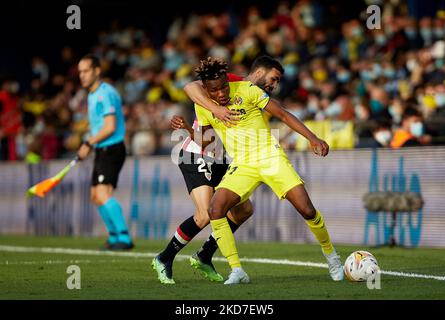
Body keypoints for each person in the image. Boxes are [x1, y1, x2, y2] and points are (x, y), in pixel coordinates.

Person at [193, 57, 343, 284]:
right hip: (242, 164)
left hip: (270, 157)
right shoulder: (203, 105)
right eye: (215, 90)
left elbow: (282, 114)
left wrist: (312, 138)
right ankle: (237, 270)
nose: (222, 93)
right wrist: (187, 128)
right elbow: (205, 142)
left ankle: (332, 257)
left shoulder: (247, 90)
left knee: (307, 210)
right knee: (215, 209)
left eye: (224, 86)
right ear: (206, 89)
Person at [152, 56, 285, 284]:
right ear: (259, 72)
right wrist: (215, 109)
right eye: (273, 78)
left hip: (219, 155)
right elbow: (190, 87)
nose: (274, 85)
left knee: (243, 211)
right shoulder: (231, 82)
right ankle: (164, 258)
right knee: (205, 214)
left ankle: (204, 255)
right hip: (197, 153)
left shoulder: (250, 94)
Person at [77, 54, 134, 250]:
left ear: (97, 71)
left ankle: (124, 238)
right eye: (80, 72)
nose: (82, 76)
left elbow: (110, 127)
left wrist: (88, 143)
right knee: (95, 195)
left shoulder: (105, 93)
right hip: (102, 150)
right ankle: (114, 237)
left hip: (112, 148)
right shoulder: (92, 95)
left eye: (86, 71)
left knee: (103, 193)